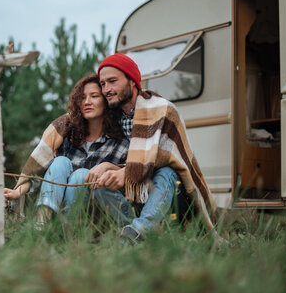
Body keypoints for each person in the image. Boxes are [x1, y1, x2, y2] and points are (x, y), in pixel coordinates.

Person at [91, 53, 217, 243]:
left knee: (167, 171)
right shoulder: (112, 118)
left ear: (132, 81)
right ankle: (137, 232)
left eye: (112, 81)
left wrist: (127, 173)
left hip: (172, 196)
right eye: (103, 84)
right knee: (100, 184)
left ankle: (139, 231)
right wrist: (109, 167)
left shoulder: (163, 109)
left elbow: (164, 156)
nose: (106, 89)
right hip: (137, 199)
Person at [4, 74, 129, 224]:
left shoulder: (120, 141)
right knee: (60, 162)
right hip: (58, 208)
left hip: (96, 216)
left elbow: (128, 177)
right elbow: (44, 173)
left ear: (106, 101)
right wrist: (19, 191)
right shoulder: (68, 136)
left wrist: (109, 168)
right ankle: (41, 224)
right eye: (82, 98)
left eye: (94, 96)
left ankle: (70, 230)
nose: (87, 102)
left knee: (81, 175)